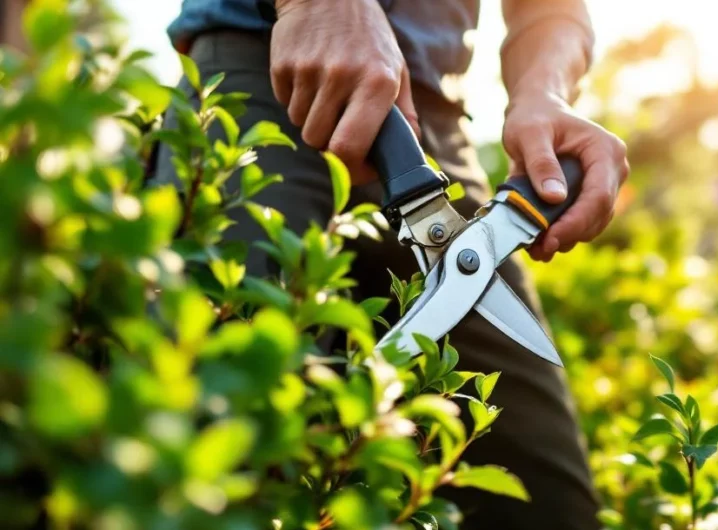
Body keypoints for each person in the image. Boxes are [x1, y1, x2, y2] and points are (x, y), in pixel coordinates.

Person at [157, 2, 629, 528]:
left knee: (552, 507)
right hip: (265, 79)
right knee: (225, 457)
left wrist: (546, 90)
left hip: (433, 128)